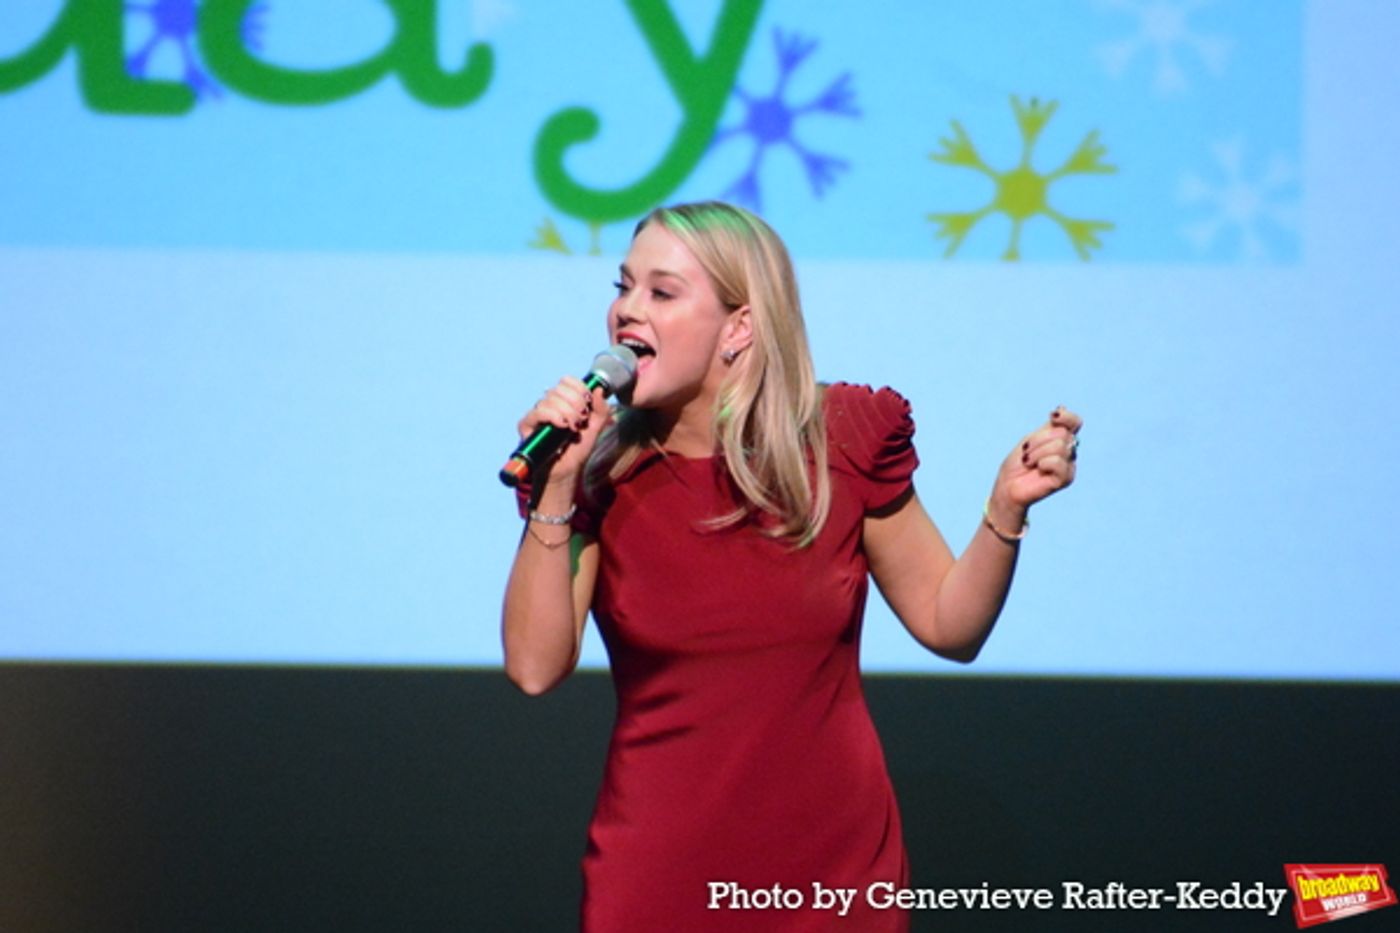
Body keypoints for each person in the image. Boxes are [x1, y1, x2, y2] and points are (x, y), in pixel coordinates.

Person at [501, 201, 1080, 931]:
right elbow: (534, 668)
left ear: (739, 327)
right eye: (623, 287)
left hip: (831, 873)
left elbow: (948, 624)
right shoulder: (596, 474)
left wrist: (1005, 509)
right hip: (659, 871)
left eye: (662, 292)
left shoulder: (842, 440)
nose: (627, 311)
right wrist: (556, 486)